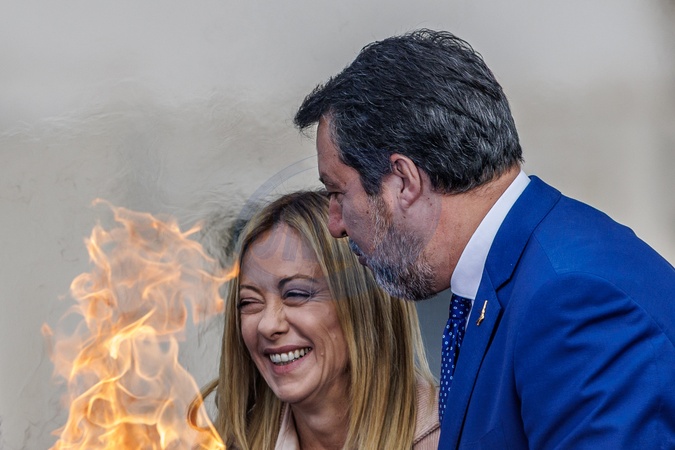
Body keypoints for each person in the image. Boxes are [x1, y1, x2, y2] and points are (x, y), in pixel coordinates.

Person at [293, 29, 675, 449]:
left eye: (337, 193)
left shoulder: (571, 297)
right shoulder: (513, 276)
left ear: (403, 181)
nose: (335, 224)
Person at [198, 191, 440, 449]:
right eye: (249, 302)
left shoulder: (453, 436)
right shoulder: (222, 443)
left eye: (296, 294)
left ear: (363, 306)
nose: (268, 325)